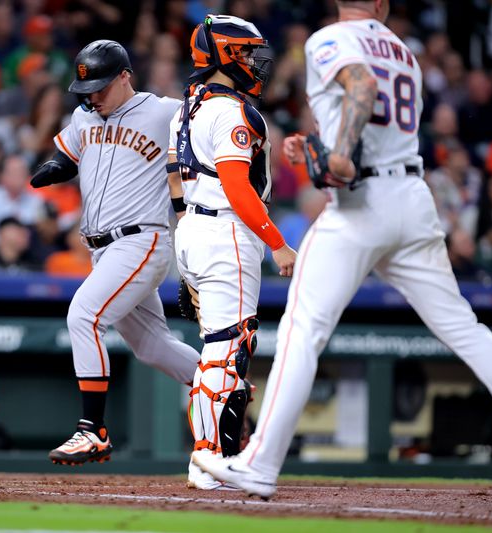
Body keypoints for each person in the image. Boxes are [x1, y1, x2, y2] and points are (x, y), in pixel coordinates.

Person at [193, 0, 492, 499]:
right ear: (381, 5)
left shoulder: (330, 38)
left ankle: (260, 463)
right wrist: (317, 146)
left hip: (362, 204)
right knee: (465, 329)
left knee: (302, 329)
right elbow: (367, 116)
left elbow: (361, 88)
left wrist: (335, 154)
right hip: (412, 197)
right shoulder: (404, 51)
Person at [30, 40, 201, 471]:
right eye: (88, 89)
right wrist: (52, 168)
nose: (94, 96)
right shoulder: (84, 115)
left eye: (102, 87)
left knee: (84, 315)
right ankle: (223, 386)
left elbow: (208, 132)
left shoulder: (164, 112)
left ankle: (93, 430)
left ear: (125, 76)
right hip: (101, 250)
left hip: (141, 240)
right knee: (150, 345)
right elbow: (69, 154)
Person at [167, 15, 297, 489]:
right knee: (228, 350)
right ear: (223, 54)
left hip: (195, 229)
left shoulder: (189, 106)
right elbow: (239, 187)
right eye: (245, 52)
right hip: (226, 232)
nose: (254, 62)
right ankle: (208, 458)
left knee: (218, 350)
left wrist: (188, 243)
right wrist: (278, 244)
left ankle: (211, 455)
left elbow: (174, 177)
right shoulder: (229, 110)